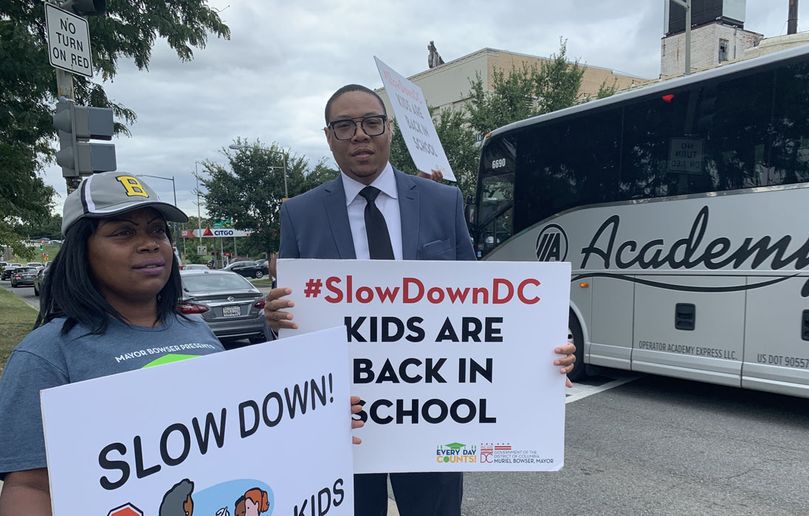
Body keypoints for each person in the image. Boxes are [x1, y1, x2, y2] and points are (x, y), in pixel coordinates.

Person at [265, 84, 576, 516]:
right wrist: (275, 318)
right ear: (329, 136)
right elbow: (290, 322)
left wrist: (542, 352)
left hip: (431, 419)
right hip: (344, 421)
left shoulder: (441, 200)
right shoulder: (299, 214)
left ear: (388, 130)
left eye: (372, 122)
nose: (360, 134)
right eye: (345, 125)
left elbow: (480, 306)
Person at [0, 174, 363, 513]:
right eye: (123, 233)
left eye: (157, 231)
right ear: (82, 249)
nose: (148, 244)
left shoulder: (196, 329)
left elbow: (240, 433)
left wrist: (315, 417)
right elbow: (30, 487)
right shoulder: (46, 355)